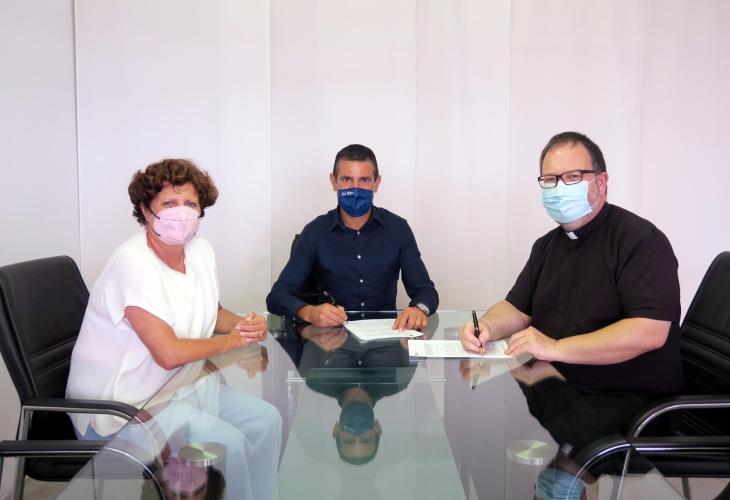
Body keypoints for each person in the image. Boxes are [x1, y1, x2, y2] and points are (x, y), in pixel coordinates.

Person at [66, 159, 281, 500]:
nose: (180, 213)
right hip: (125, 409)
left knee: (267, 419)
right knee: (231, 444)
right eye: (168, 203)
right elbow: (167, 353)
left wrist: (245, 326)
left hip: (178, 390)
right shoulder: (132, 262)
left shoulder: (200, 251)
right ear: (145, 210)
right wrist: (232, 341)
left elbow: (211, 312)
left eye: (190, 204)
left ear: (201, 210)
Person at [460, 131, 682, 427]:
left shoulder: (640, 240)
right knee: (472, 419)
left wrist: (554, 347)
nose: (559, 188)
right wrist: (486, 327)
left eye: (573, 177)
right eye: (550, 180)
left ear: (601, 182)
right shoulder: (546, 245)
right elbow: (517, 308)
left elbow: (649, 331)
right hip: (555, 386)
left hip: (624, 403)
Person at [266, 144, 438, 330]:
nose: (355, 189)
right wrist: (309, 312)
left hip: (385, 338)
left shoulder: (398, 229)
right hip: (330, 339)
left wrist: (419, 309)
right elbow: (277, 296)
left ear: (376, 183)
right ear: (334, 182)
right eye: (347, 179)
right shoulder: (314, 232)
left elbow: (425, 290)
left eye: (364, 180)